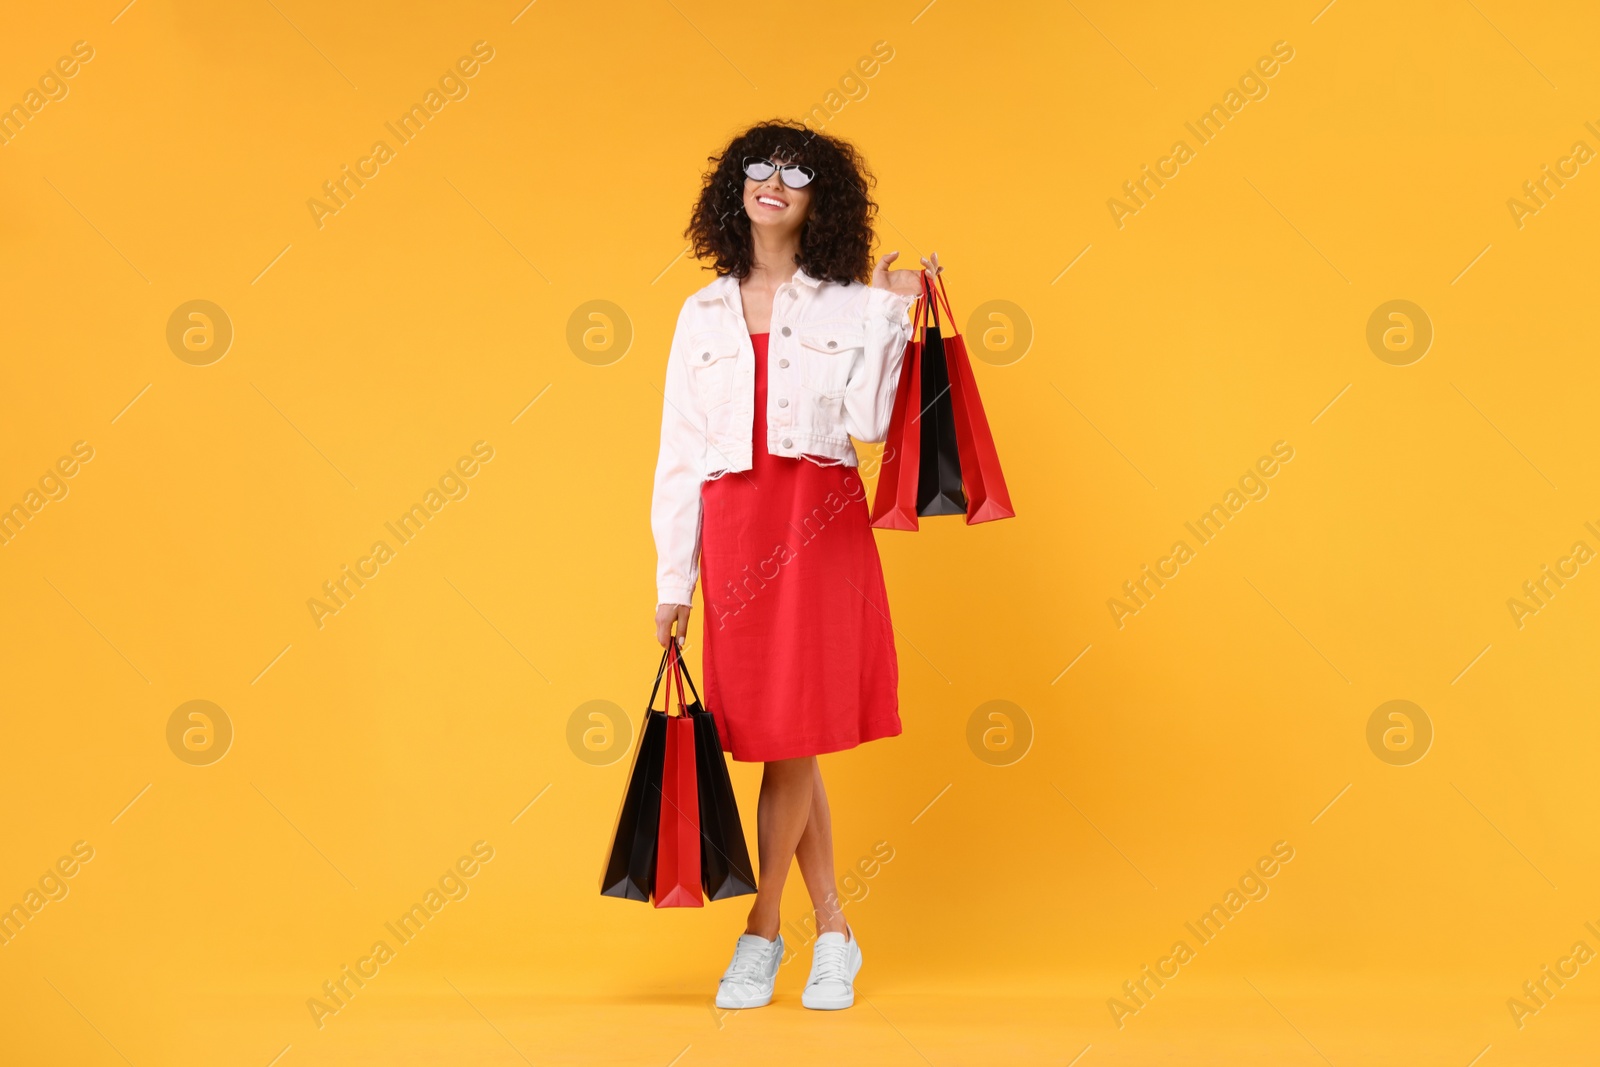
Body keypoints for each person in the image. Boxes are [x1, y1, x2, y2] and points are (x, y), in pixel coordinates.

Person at [651, 118, 940, 1011]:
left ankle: (764, 932)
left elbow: (873, 426)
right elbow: (678, 453)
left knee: (793, 736)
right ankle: (837, 932)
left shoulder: (852, 302)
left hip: (818, 526)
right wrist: (673, 581)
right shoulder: (698, 313)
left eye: (797, 171)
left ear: (821, 199)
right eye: (758, 166)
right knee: (784, 736)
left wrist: (893, 312)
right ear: (735, 188)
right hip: (736, 529)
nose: (773, 180)